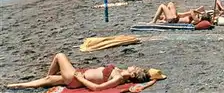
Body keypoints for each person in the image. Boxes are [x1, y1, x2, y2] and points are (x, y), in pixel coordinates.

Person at [7, 53, 151, 90]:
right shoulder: (120, 72)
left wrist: (80, 78)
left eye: (135, 68)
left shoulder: (119, 78)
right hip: (77, 75)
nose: (133, 65)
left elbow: (97, 88)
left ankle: (50, 74)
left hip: (76, 79)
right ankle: (17, 85)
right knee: (48, 82)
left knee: (60, 56)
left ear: (133, 74)